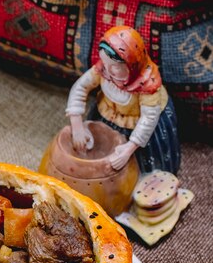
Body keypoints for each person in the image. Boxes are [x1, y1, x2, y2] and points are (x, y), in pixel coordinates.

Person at [66, 26, 180, 174]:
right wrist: (77, 125)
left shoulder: (147, 84)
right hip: (107, 115)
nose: (107, 70)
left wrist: (129, 149)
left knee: (141, 167)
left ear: (132, 64)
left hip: (139, 126)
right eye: (104, 63)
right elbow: (81, 87)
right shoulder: (102, 70)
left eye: (115, 67)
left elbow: (149, 117)